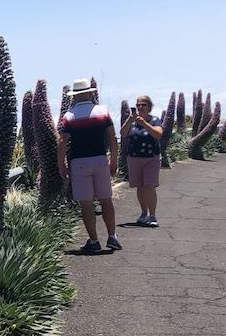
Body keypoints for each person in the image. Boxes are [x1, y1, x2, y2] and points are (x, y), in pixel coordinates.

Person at [58, 78, 121, 254]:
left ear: (76, 96)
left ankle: (94, 241)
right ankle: (112, 236)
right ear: (90, 93)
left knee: (86, 204)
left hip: (79, 163)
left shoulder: (69, 116)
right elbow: (112, 138)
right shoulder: (103, 112)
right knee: (106, 200)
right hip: (100, 159)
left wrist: (61, 164)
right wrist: (114, 160)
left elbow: (62, 142)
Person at [122, 95, 163, 226]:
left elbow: (158, 134)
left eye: (143, 105)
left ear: (149, 107)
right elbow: (123, 133)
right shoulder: (132, 121)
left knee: (149, 186)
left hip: (151, 158)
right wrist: (130, 120)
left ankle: (152, 216)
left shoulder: (154, 120)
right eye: (138, 105)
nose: (140, 107)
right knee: (140, 187)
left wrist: (144, 124)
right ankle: (143, 213)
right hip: (134, 158)